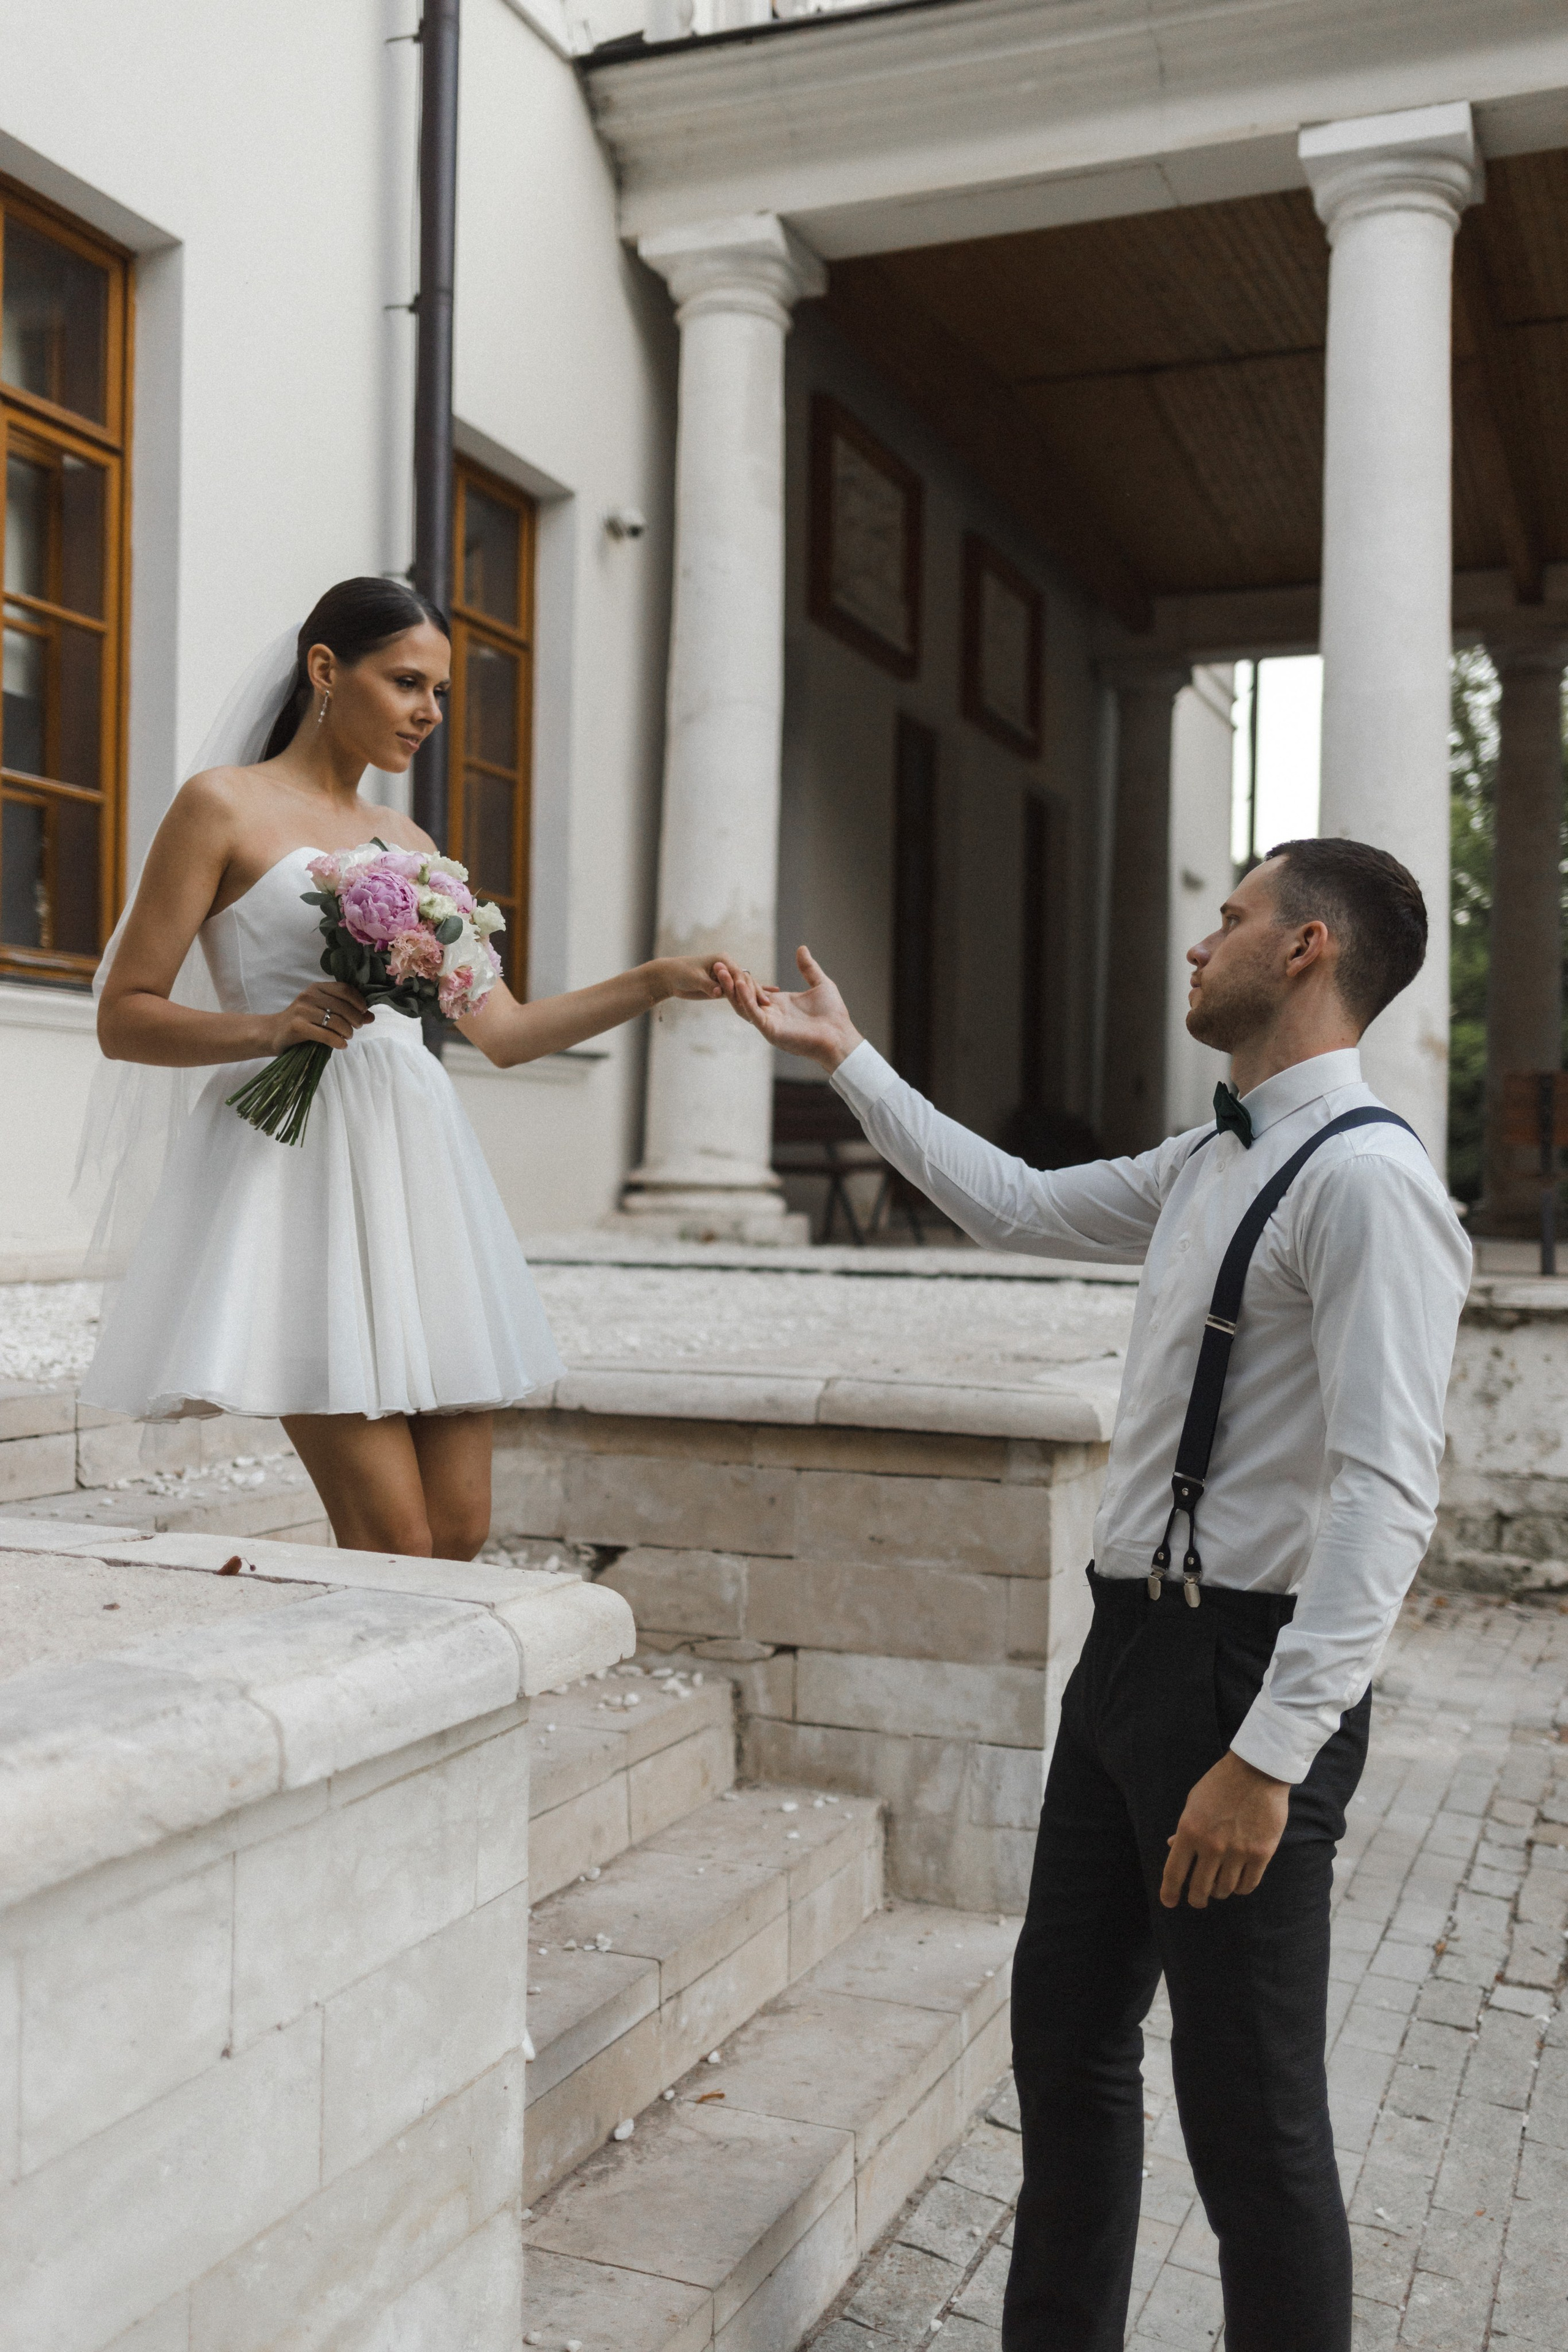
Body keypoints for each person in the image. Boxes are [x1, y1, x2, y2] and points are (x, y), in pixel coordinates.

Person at [715, 839, 1470, 2352]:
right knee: (1065, 2054)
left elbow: (1385, 1497)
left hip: (1237, 1685)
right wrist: (849, 1059)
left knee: (1250, 2125)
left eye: (1232, 918)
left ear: (1308, 950)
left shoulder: (1374, 1187)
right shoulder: (1208, 1157)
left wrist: (1267, 1758)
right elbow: (1009, 1205)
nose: (1202, 943)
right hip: (1124, 1654)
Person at [82, 576, 728, 1559]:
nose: (431, 713)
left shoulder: (415, 849)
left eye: (442, 694)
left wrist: (654, 981)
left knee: (460, 1535)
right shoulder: (223, 805)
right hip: (292, 1168)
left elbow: (502, 1033)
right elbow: (125, 1017)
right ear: (327, 671)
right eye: (409, 683)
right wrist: (270, 1028)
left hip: (416, 1171)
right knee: (395, 1540)